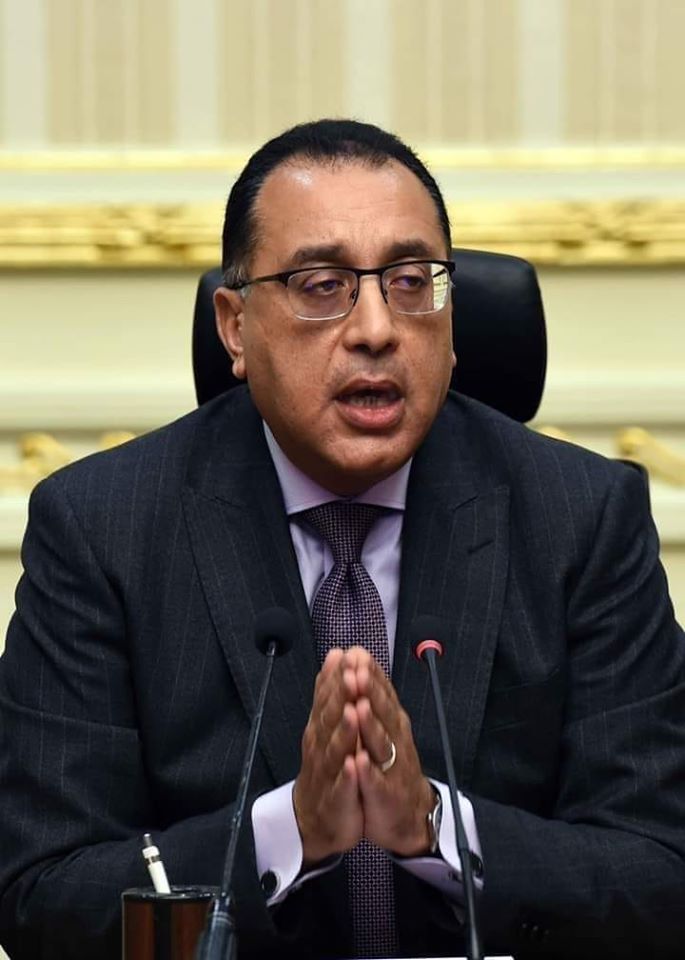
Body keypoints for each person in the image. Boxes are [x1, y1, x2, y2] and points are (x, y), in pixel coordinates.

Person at [1, 119, 684, 960]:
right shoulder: (101, 528)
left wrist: (435, 826)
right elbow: (43, 894)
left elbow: (662, 876)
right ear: (235, 327)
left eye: (410, 281)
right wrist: (289, 830)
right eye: (322, 285)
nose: (375, 328)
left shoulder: (581, 518)